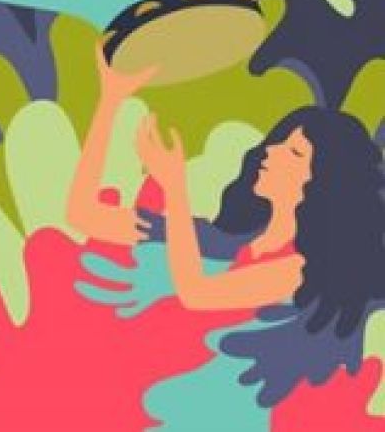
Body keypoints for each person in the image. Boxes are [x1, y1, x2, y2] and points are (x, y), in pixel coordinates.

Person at [68, 51, 385, 409]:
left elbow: (197, 293)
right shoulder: (220, 242)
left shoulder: (304, 271)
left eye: (295, 153)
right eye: (278, 142)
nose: (272, 152)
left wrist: (175, 187)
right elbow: (84, 215)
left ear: (325, 182)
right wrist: (110, 100)